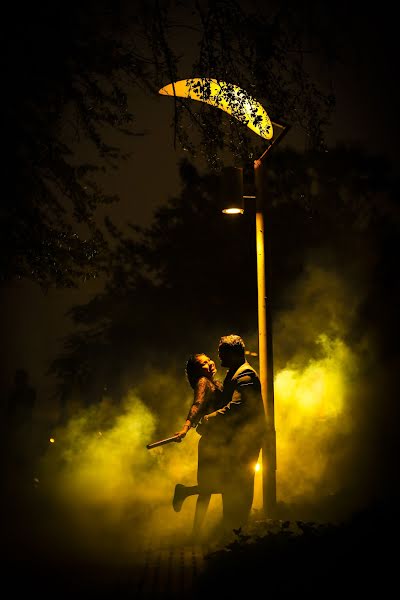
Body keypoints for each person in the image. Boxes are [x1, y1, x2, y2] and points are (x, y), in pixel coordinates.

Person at [201, 334, 265, 537]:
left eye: (222, 354)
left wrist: (211, 418)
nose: (219, 358)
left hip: (245, 444)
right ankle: (233, 531)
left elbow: (237, 407)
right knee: (233, 487)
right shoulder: (235, 373)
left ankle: (236, 532)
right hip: (239, 443)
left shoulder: (245, 376)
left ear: (233, 353)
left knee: (239, 488)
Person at [172, 353, 226, 536]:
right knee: (213, 488)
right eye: (203, 363)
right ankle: (196, 531)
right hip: (212, 443)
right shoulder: (203, 381)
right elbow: (197, 404)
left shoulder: (216, 383)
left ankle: (195, 531)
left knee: (208, 489)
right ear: (197, 371)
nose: (210, 363)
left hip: (218, 441)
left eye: (209, 360)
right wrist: (186, 427)